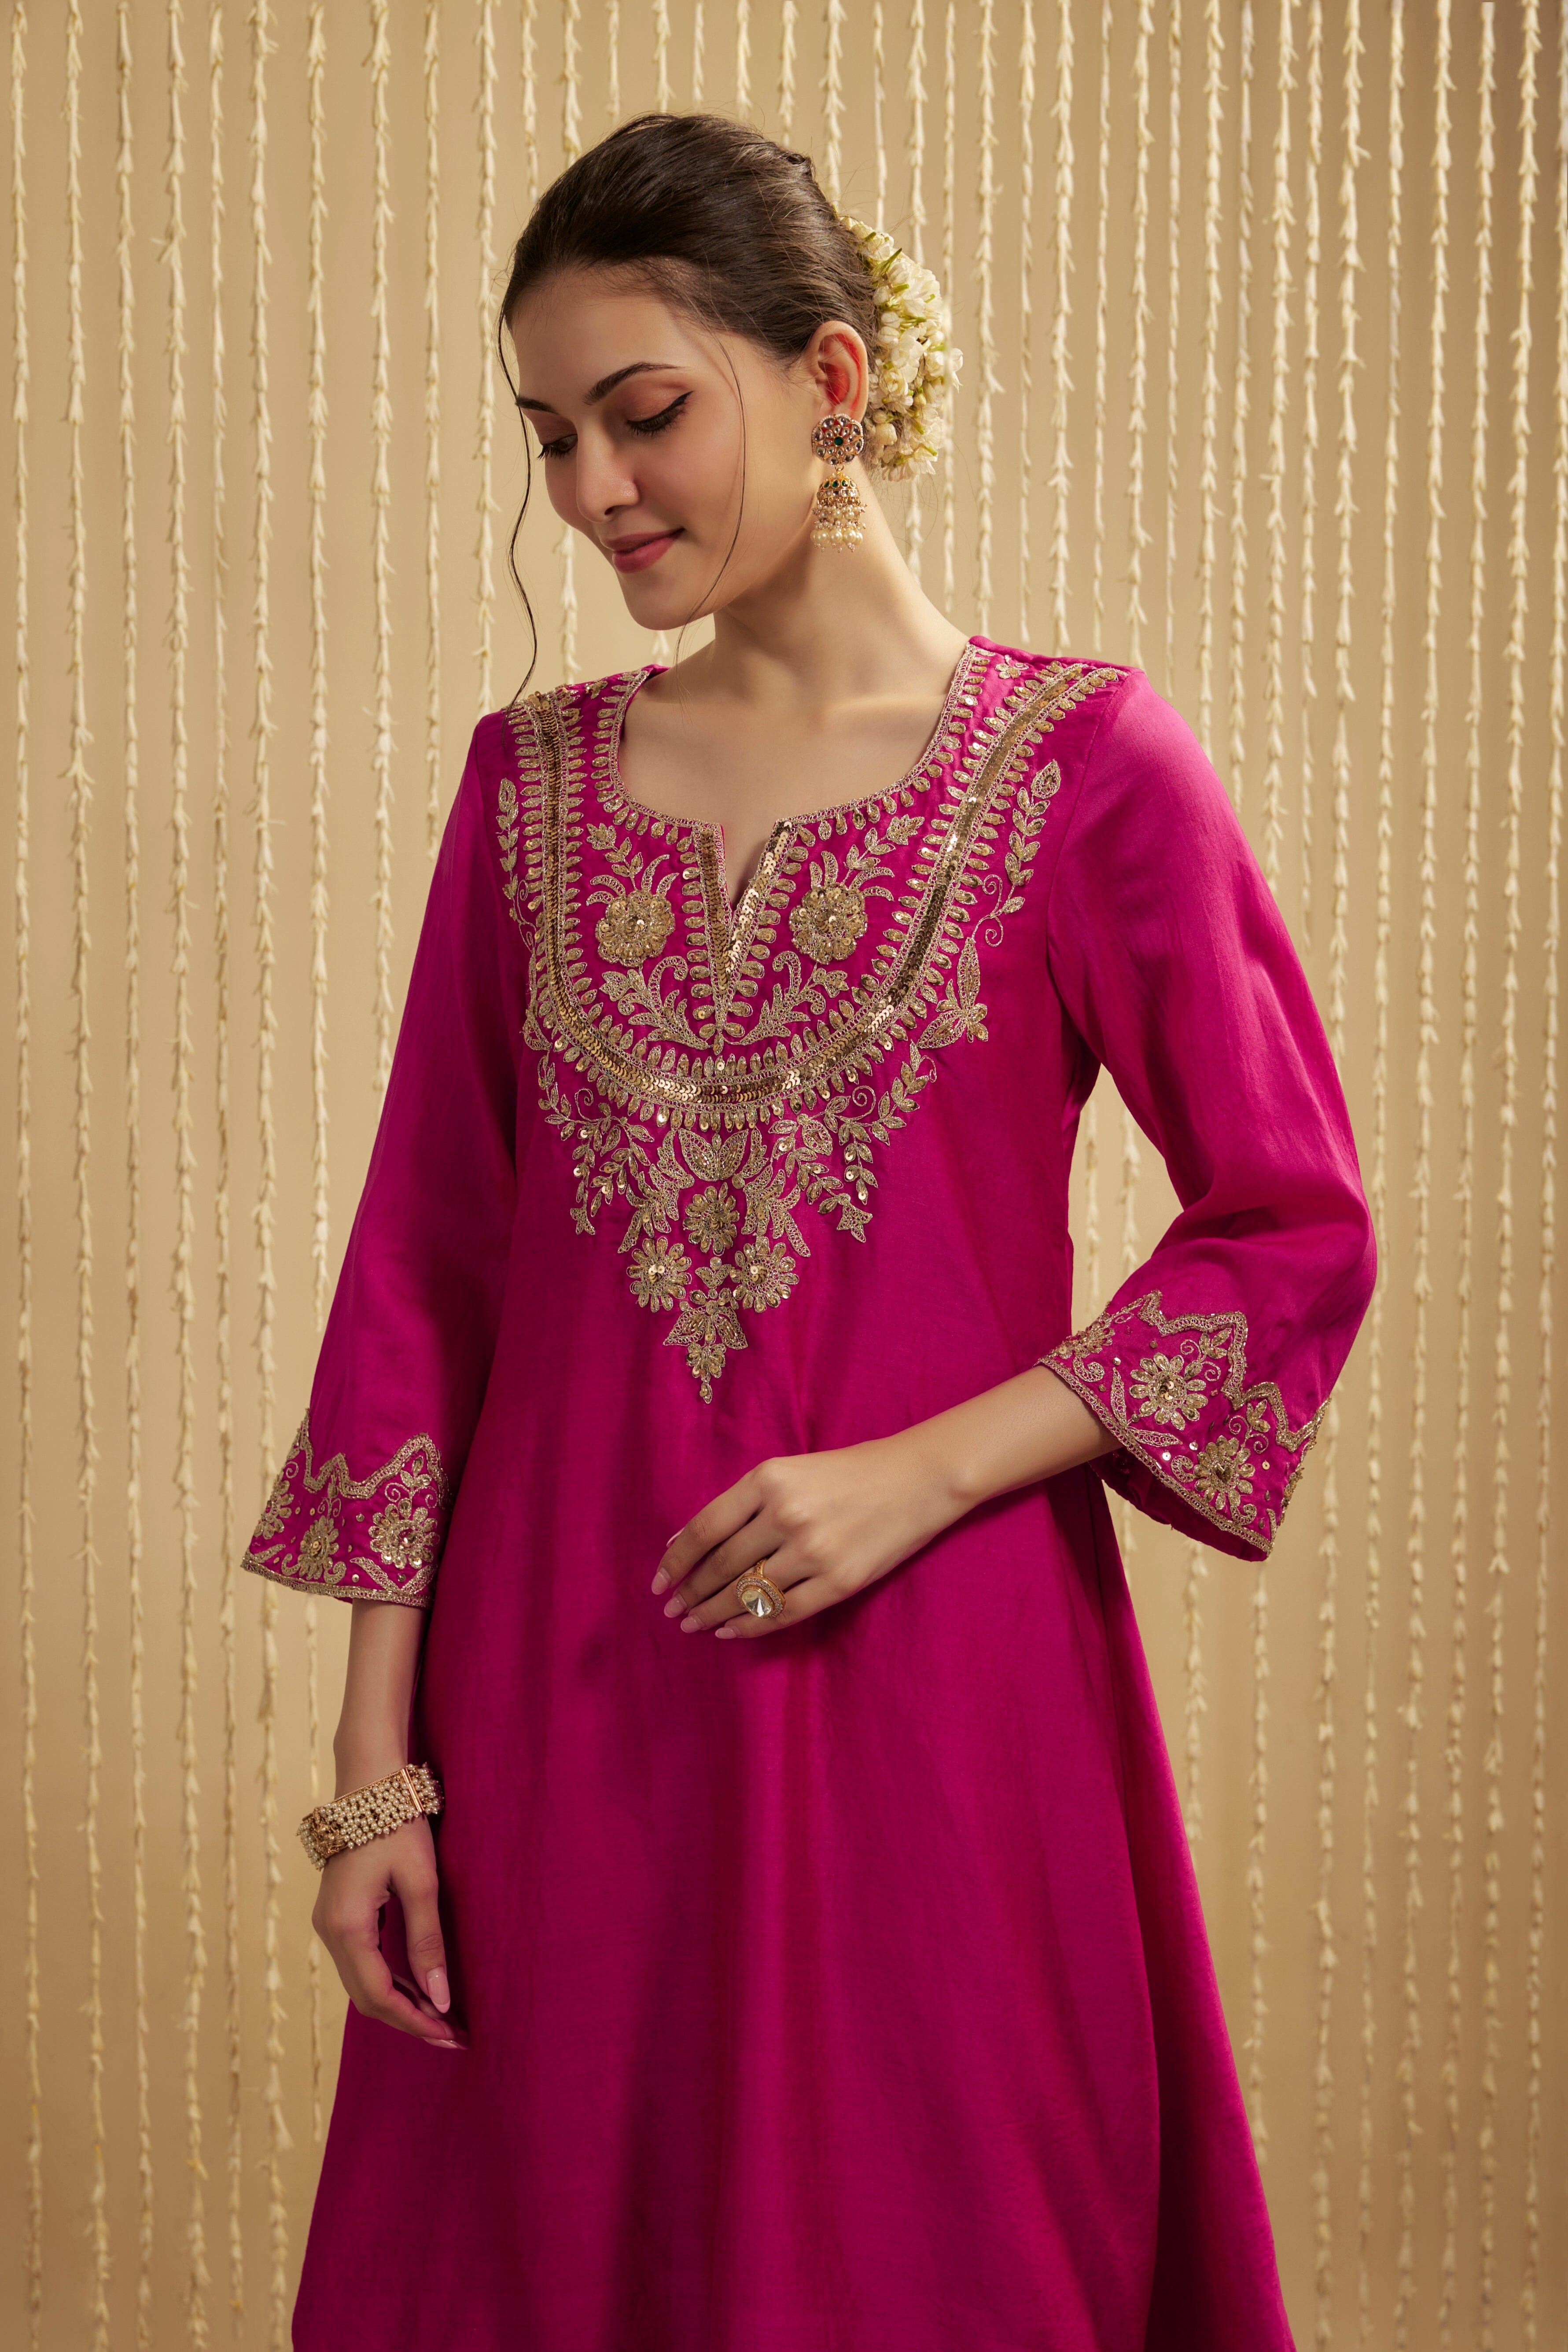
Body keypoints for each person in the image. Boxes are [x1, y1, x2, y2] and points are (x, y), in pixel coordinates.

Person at [248, 110, 1374, 2352]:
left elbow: (1289, 1226)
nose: (592, 490)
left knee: (921, 2252)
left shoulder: (1087, 770)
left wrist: (923, 1470)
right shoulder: (527, 789)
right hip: (557, 1704)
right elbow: (424, 1279)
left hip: (933, 1686)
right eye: (550, 437)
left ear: (833, 379)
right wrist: (375, 1778)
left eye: (645, 412)